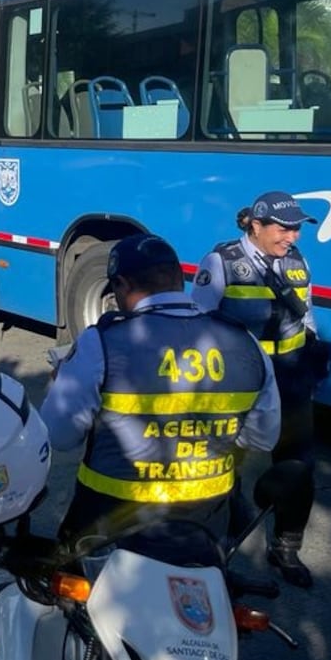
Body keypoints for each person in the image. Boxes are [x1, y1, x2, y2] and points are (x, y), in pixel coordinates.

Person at [40, 233, 281, 552]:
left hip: (108, 528)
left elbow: (58, 436)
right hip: (205, 524)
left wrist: (60, 382)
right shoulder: (246, 343)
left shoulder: (101, 343)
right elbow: (263, 438)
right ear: (179, 279)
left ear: (123, 286)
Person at [192, 191, 328, 587]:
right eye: (284, 228)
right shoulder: (221, 262)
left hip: (289, 381)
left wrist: (312, 358)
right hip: (238, 385)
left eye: (297, 229)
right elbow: (198, 324)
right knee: (222, 466)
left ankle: (286, 548)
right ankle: (220, 545)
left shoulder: (297, 260)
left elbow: (308, 314)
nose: (293, 237)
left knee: (299, 468)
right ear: (256, 225)